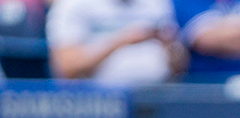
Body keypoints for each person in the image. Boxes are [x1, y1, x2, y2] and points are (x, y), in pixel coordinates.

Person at [45, 0, 186, 86]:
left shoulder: (157, 3)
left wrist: (170, 47)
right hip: (98, 101)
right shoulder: (73, 4)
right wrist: (122, 41)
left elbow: (180, 64)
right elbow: (68, 67)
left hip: (158, 98)